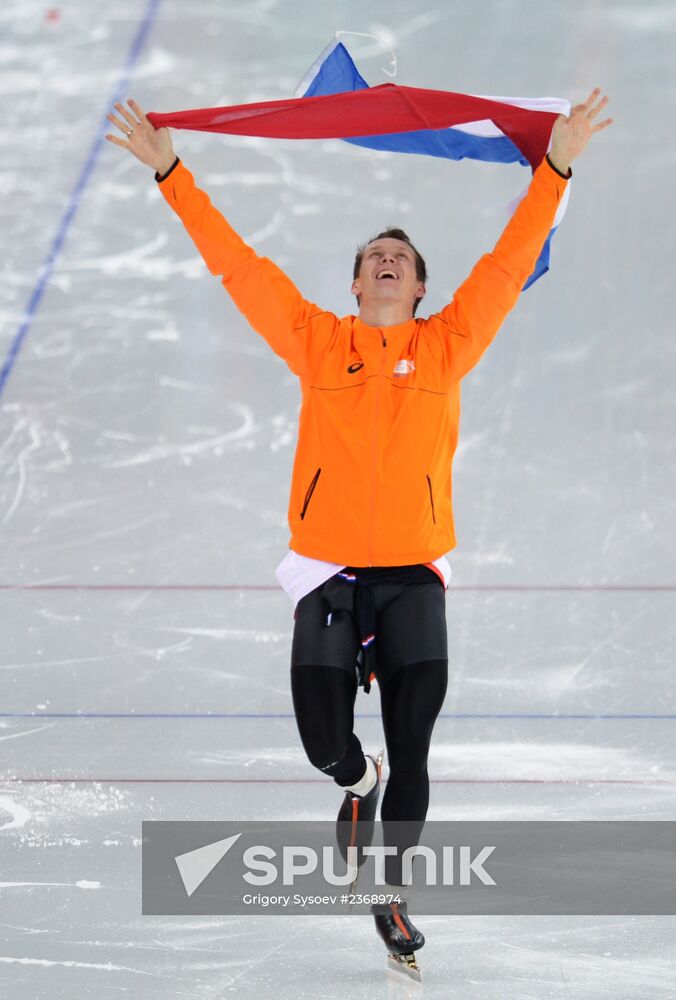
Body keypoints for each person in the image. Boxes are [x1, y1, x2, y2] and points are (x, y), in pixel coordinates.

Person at [106, 89, 612, 978]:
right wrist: (170, 172)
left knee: (417, 744)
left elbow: (506, 262)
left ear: (419, 287)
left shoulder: (451, 342)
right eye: (373, 256)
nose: (385, 262)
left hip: (413, 573)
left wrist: (557, 165)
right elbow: (239, 268)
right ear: (353, 283)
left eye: (400, 258)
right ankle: (354, 782)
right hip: (328, 571)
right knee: (323, 743)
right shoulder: (314, 340)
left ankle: (391, 891)